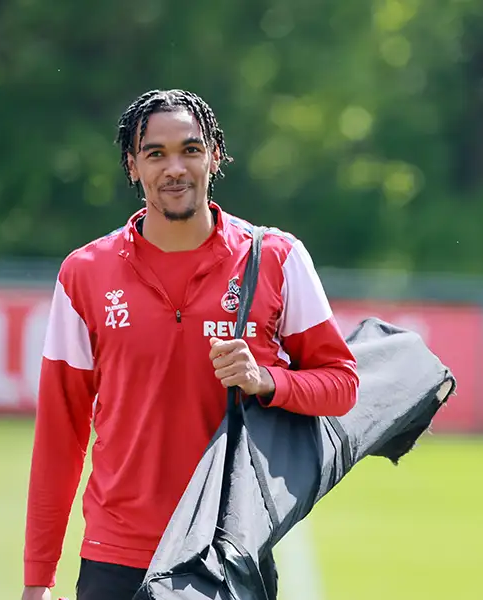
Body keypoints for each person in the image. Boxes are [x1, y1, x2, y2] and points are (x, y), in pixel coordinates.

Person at [21, 89, 360, 600]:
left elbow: (342, 385)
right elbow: (59, 433)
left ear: (215, 156)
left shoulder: (275, 257)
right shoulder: (83, 274)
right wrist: (38, 577)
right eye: (155, 153)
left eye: (190, 149)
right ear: (133, 166)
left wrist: (269, 380)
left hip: (229, 551)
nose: (174, 167)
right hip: (116, 556)